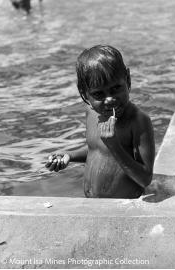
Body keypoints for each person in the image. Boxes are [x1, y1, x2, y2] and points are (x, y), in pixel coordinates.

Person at [45, 45, 155, 198]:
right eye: (98, 94)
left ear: (128, 79)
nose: (109, 99)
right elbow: (96, 149)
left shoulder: (138, 121)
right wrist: (69, 155)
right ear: (84, 93)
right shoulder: (92, 113)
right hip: (93, 205)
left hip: (123, 208)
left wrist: (114, 146)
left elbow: (145, 179)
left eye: (116, 88)